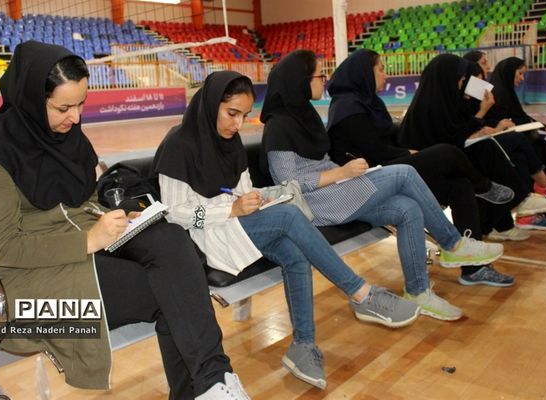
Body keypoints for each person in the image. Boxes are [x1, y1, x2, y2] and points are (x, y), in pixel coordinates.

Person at [0, 41, 250, 400]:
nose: (75, 118)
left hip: (85, 246)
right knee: (174, 293)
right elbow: (4, 247)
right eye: (63, 107)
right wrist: (88, 240)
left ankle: (215, 382)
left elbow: (82, 200)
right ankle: (211, 384)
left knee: (171, 238)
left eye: (81, 104)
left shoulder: (67, 137)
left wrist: (122, 216)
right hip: (28, 293)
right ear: (31, 99)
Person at [153, 70, 422, 391]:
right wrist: (231, 209)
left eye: (244, 116)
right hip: (202, 236)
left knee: (295, 253)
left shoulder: (230, 143)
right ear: (212, 105)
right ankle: (361, 293)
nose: (238, 124)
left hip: (237, 225)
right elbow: (174, 214)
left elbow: (240, 191)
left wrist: (255, 199)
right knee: (290, 217)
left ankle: (303, 347)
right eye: (232, 113)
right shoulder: (178, 144)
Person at [260, 50, 504, 320]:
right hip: (316, 203)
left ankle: (418, 291)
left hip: (337, 191)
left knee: (407, 208)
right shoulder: (278, 125)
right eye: (319, 75)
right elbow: (288, 184)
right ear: (300, 80)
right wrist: (341, 173)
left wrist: (343, 174)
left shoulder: (306, 116)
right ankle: (453, 244)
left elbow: (322, 162)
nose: (324, 80)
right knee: (404, 173)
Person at [326, 48, 514, 287]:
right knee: (446, 152)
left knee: (460, 186)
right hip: (371, 178)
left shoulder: (368, 103)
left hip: (388, 168)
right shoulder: (347, 108)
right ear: (364, 73)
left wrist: (409, 152)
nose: (386, 75)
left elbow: (386, 142)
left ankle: (474, 269)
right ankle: (485, 188)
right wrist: (409, 153)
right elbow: (373, 151)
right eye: (381, 69)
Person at [398, 54, 546, 236]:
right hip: (426, 169)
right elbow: (449, 141)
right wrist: (481, 115)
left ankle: (509, 215)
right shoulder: (429, 107)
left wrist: (479, 127)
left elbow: (454, 137)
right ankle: (517, 205)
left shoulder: (440, 102)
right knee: (484, 156)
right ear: (447, 78)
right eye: (461, 79)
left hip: (445, 159)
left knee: (489, 150)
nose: (462, 84)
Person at [486, 56, 546, 191]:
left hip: (523, 132)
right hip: (516, 136)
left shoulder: (506, 92)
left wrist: (544, 126)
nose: (522, 78)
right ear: (509, 72)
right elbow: (509, 121)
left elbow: (522, 116)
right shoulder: (497, 95)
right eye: (520, 73)